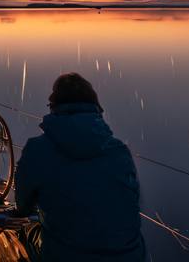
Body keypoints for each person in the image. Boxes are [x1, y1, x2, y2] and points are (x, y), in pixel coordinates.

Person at [14, 73, 145, 262]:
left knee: (24, 233)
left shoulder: (38, 149)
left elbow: (23, 206)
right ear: (96, 108)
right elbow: (131, 202)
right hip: (129, 257)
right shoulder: (119, 151)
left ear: (54, 106)